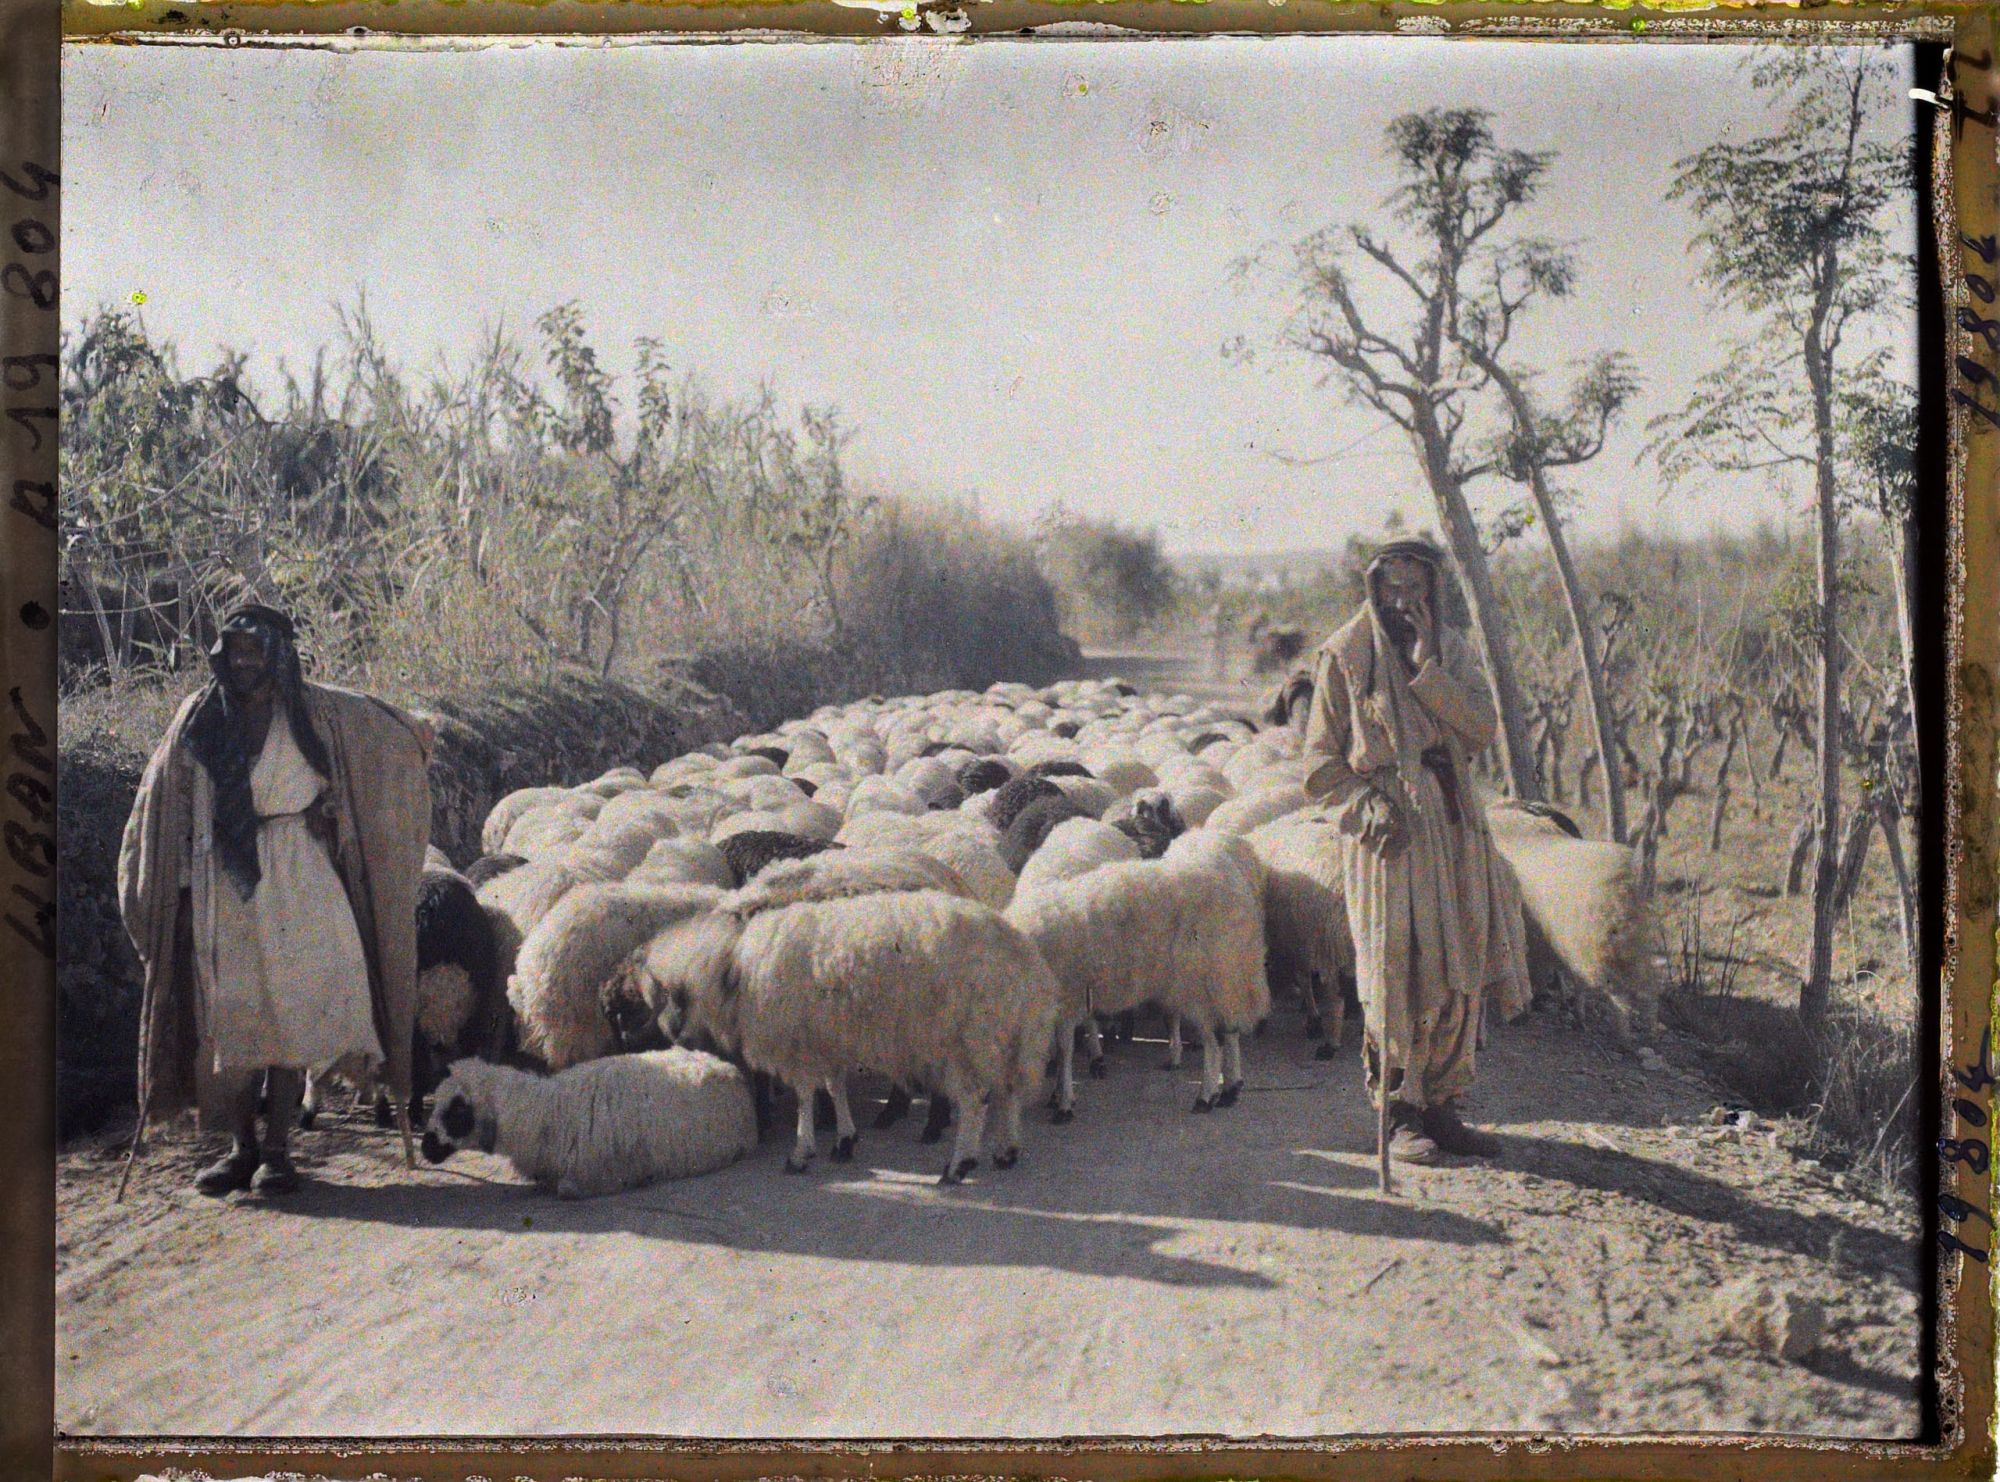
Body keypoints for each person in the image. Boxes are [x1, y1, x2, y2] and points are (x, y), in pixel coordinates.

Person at [118, 603, 434, 1197]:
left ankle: (279, 1152)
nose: (243, 663)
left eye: (255, 652)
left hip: (297, 871)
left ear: (280, 656)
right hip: (225, 878)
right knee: (235, 1016)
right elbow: (163, 797)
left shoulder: (318, 713)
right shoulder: (200, 715)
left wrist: (349, 795)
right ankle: (241, 1150)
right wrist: (173, 880)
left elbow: (380, 744)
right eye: (233, 652)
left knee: (290, 1010)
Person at [1300, 540, 1532, 1164]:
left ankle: (1443, 1105)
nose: (1403, 602)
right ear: (1373, 588)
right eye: (1391, 589)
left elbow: (1482, 730)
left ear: (1433, 589)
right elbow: (1319, 767)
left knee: (1460, 957)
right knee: (1396, 963)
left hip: (1453, 823)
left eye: (1415, 589)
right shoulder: (1345, 656)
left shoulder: (1452, 650)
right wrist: (1367, 806)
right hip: (1388, 832)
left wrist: (1429, 670)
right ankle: (1400, 1111)